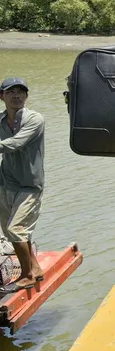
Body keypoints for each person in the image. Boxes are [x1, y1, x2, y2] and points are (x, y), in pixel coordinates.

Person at [0, 78, 46, 294]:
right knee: (10, 231)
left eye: (21, 92)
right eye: (10, 92)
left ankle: (27, 276)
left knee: (16, 229)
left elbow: (15, 143)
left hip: (29, 185)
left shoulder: (35, 119)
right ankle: (35, 267)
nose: (16, 95)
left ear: (26, 96)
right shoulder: (0, 121)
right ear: (2, 97)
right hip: (6, 182)